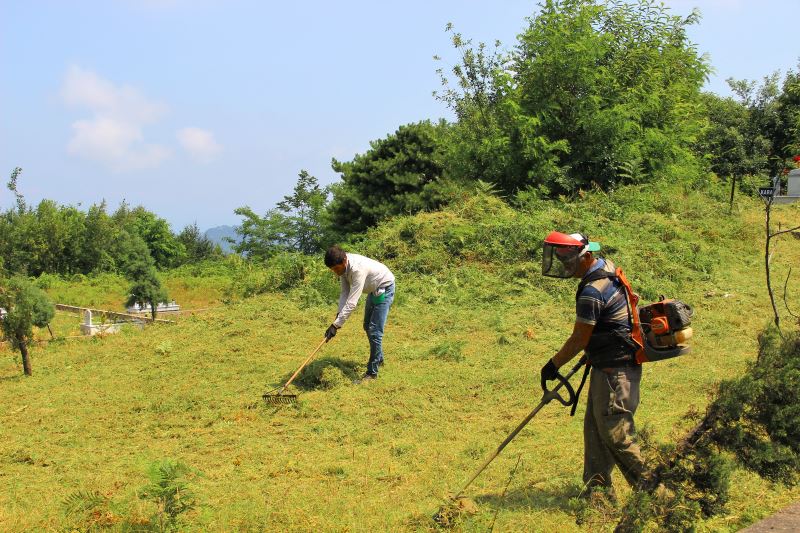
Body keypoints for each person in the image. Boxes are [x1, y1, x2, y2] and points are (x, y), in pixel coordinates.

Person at [539, 231, 645, 500]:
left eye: (569, 261)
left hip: (615, 373)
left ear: (585, 257)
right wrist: (595, 349)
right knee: (596, 430)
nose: (565, 267)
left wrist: (554, 365)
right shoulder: (605, 268)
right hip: (610, 366)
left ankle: (658, 493)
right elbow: (610, 321)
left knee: (617, 435)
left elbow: (579, 337)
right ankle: (597, 493)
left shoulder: (591, 291)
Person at [323, 245, 396, 381]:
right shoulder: (343, 269)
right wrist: (338, 315)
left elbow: (352, 303)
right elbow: (345, 293)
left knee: (375, 331)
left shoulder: (357, 269)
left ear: (344, 260)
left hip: (384, 287)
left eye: (336, 268)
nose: (335, 272)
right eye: (332, 270)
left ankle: (372, 373)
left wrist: (336, 325)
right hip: (373, 289)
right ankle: (379, 358)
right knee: (367, 326)